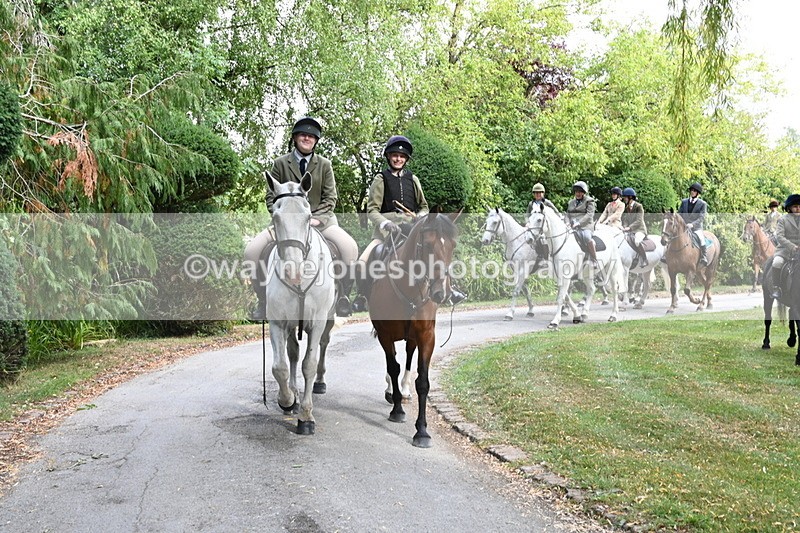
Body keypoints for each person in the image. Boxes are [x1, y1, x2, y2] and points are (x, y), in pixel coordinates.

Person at [244, 116, 359, 320]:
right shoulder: (280, 164)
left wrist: (316, 219)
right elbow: (271, 197)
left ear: (316, 141)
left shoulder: (324, 165)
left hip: (320, 222)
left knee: (349, 248)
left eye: (311, 136)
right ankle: (263, 301)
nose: (307, 138)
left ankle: (343, 297)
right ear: (295, 138)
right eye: (303, 135)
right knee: (251, 252)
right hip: (286, 224)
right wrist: (283, 217)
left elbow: (330, 197)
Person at [352, 135, 465, 311]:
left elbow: (424, 206)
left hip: (412, 230)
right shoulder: (380, 179)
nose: (398, 159)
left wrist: (420, 216)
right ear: (389, 157)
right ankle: (362, 296)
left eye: (402, 156)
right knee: (361, 262)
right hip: (386, 232)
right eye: (395, 155)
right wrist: (385, 223)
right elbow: (372, 210)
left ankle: (450, 288)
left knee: (439, 252)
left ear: (406, 159)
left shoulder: (413, 180)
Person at [768, 194, 800, 300]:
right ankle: (776, 288)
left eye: (799, 206)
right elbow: (780, 236)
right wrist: (792, 246)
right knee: (777, 262)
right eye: (795, 206)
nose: (798, 208)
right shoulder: (783, 220)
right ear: (789, 208)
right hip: (785, 250)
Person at [565, 181, 599, 269]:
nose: (578, 194)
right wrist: (567, 222)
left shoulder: (589, 201)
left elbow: (589, 215)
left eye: (580, 192)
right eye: (576, 192)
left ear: (583, 192)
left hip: (585, 226)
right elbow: (567, 215)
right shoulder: (571, 202)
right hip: (572, 226)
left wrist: (579, 223)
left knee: (587, 237)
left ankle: (594, 259)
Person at [678, 182, 709, 266]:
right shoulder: (684, 202)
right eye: (691, 190)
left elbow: (701, 217)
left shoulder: (702, 204)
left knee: (701, 239)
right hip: (684, 227)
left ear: (697, 193)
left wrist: (692, 224)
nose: (692, 192)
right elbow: (680, 214)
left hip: (696, 228)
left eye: (694, 191)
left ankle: (703, 256)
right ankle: (666, 255)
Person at [620, 187, 648, 267]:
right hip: (630, 230)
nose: (624, 199)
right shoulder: (627, 208)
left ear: (630, 197)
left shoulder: (639, 206)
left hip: (640, 230)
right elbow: (625, 220)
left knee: (637, 241)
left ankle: (644, 259)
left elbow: (639, 220)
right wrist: (624, 227)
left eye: (625, 197)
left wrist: (629, 227)